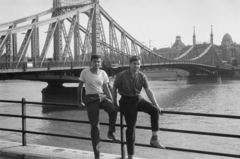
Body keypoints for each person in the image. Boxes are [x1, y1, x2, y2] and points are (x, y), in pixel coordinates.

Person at [112, 55, 165, 159]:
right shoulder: (121, 75)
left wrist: (157, 105)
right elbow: (114, 88)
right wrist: (114, 102)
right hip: (126, 101)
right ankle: (130, 156)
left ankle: (154, 139)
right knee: (131, 128)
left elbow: (148, 90)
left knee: (154, 111)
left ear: (140, 65)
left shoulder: (142, 75)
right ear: (129, 64)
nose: (136, 65)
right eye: (134, 63)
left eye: (138, 64)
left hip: (137, 98)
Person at [78, 54, 119, 159]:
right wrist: (80, 101)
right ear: (91, 62)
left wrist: (113, 101)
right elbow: (79, 88)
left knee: (114, 110)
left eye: (98, 62)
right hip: (91, 99)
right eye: (95, 61)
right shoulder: (85, 72)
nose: (97, 63)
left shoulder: (103, 73)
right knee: (95, 127)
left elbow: (106, 88)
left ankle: (111, 133)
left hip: (101, 97)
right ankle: (97, 155)